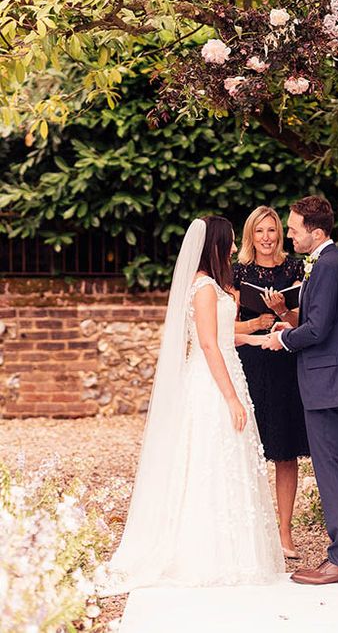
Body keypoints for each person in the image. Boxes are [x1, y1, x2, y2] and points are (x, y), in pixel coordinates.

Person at [104, 216, 284, 594]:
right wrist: (232, 397)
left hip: (227, 371)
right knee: (210, 457)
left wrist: (257, 339)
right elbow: (206, 345)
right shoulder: (203, 287)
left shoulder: (216, 286)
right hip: (212, 384)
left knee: (230, 458)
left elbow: (223, 338)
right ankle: (205, 552)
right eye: (231, 243)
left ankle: (235, 551)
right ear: (216, 245)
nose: (235, 249)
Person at [262, 196, 338, 586]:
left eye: (293, 230)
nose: (288, 235)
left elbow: (318, 329)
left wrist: (284, 340)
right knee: (337, 467)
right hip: (336, 380)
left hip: (327, 382)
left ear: (317, 232)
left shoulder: (327, 267)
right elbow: (325, 322)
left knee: (332, 470)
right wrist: (287, 326)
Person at [232, 206, 310, 560]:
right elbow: (224, 326)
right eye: (260, 231)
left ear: (280, 235)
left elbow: (301, 321)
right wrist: (255, 322)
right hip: (250, 362)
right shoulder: (237, 273)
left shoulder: (294, 268)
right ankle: (246, 532)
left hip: (284, 363)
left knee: (284, 450)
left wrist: (280, 312)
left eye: (273, 231)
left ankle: (284, 532)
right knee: (247, 448)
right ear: (250, 236)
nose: (267, 238)